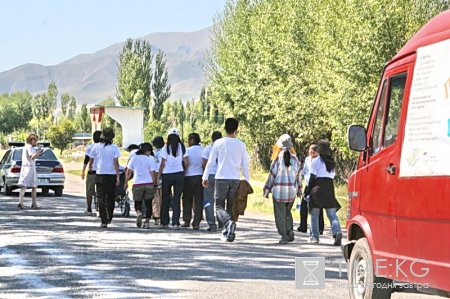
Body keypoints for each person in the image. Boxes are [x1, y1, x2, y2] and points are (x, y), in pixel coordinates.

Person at [202, 118, 250, 242]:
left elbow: (211, 161)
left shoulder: (219, 143)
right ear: (236, 129)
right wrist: (247, 180)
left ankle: (228, 224)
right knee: (230, 207)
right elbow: (245, 164)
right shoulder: (241, 144)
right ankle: (228, 232)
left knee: (218, 207)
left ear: (225, 128)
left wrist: (205, 176)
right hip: (235, 179)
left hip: (221, 177)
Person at [263, 134, 302, 244]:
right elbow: (299, 177)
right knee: (287, 212)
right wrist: (299, 190)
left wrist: (266, 189)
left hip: (279, 192)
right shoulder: (295, 159)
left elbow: (272, 175)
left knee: (280, 214)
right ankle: (290, 231)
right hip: (291, 192)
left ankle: (284, 235)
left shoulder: (277, 159)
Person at [307, 139, 342, 245]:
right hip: (329, 188)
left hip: (318, 187)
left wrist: (308, 191)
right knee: (332, 214)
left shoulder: (316, 161)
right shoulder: (331, 162)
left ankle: (315, 237)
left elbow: (312, 177)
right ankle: (337, 232)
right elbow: (332, 176)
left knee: (314, 214)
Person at [89, 128, 121, 228]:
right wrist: (118, 175)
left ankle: (103, 220)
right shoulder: (114, 148)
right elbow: (116, 163)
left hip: (100, 174)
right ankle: (109, 216)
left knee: (100, 197)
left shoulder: (96, 147)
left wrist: (90, 168)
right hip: (111, 175)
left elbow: (91, 160)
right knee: (111, 197)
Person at [158, 128, 189, 230]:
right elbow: (186, 162)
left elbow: (162, 164)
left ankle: (164, 222)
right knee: (177, 198)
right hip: (179, 174)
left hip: (167, 174)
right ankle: (176, 222)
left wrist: (159, 175)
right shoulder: (182, 147)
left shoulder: (165, 148)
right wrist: (183, 171)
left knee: (165, 198)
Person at [125, 143, 158, 229]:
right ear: (147, 151)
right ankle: (147, 222)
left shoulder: (134, 158)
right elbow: (153, 173)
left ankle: (139, 212)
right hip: (149, 183)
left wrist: (126, 183)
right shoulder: (150, 159)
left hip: (137, 183)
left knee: (137, 202)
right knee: (148, 203)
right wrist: (155, 183)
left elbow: (128, 172)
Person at [297, 143, 324, 234]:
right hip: (308, 184)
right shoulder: (307, 159)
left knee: (317, 207)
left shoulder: (321, 161)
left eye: (312, 153)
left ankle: (320, 228)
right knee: (303, 205)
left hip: (317, 185)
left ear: (317, 152)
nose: (311, 154)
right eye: (310, 152)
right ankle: (303, 226)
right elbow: (305, 170)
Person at [182, 133, 204, 230]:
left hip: (188, 176)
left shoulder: (187, 150)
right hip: (199, 176)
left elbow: (185, 163)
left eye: (188, 139)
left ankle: (187, 220)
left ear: (192, 140)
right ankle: (196, 222)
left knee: (187, 199)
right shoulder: (203, 150)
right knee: (198, 200)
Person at [202, 131, 222, 232]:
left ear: (212, 138)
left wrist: (204, 176)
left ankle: (211, 223)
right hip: (221, 176)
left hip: (209, 175)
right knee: (220, 200)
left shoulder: (207, 149)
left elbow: (204, 164)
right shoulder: (224, 149)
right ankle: (221, 222)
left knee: (208, 200)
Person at [17, 134, 42, 209]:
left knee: (24, 186)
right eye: (35, 140)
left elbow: (31, 157)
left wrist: (38, 153)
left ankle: (21, 202)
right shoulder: (29, 147)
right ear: (32, 140)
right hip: (29, 168)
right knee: (33, 186)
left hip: (26, 167)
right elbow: (32, 157)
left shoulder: (26, 147)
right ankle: (33, 203)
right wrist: (38, 151)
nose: (36, 142)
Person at [81, 130, 102, 216]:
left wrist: (83, 170)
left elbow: (87, 159)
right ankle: (101, 208)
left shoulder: (90, 147)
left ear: (93, 138)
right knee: (101, 190)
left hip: (92, 172)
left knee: (89, 191)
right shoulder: (104, 147)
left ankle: (89, 208)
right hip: (102, 172)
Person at [151, 136, 165, 225]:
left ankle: (156, 215)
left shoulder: (152, 153)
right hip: (163, 174)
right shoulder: (165, 152)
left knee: (155, 196)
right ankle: (162, 214)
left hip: (154, 174)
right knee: (162, 196)